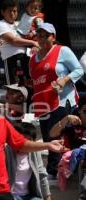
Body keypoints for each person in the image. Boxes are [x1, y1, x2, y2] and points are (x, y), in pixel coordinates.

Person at [29, 22, 83, 179]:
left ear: (53, 37)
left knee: (58, 135)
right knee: (48, 136)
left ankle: (56, 170)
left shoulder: (62, 51)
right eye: (39, 36)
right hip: (43, 103)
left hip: (62, 101)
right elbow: (36, 80)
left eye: (46, 36)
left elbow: (79, 70)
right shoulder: (33, 59)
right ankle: (54, 170)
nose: (43, 39)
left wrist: (64, 80)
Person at [0, 0, 38, 85]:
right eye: (10, 11)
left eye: (15, 11)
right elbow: (13, 41)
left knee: (29, 85)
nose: (13, 13)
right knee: (13, 87)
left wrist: (35, 44)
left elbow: (33, 36)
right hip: (10, 59)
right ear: (2, 12)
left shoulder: (20, 24)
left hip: (26, 58)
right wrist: (33, 42)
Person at [5, 122, 51, 200]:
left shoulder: (35, 152)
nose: (25, 144)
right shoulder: (6, 151)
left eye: (29, 140)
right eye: (22, 139)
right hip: (10, 195)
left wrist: (47, 197)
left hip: (29, 196)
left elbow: (41, 175)